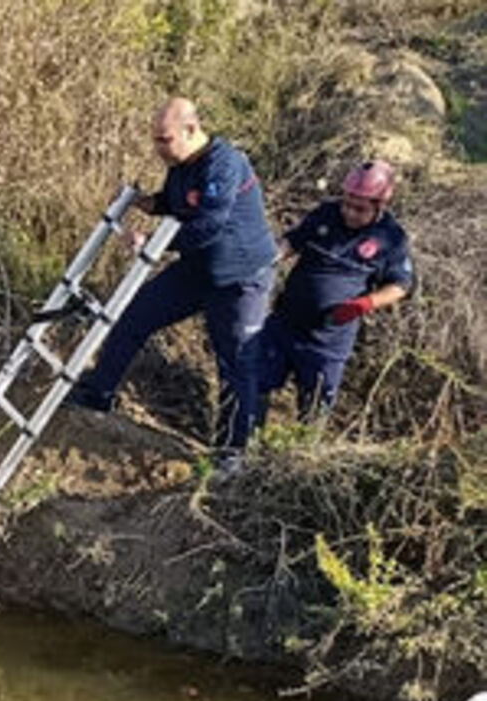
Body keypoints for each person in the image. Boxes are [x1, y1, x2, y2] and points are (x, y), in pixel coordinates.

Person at [65, 98, 278, 455]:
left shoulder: (224, 163)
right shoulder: (181, 164)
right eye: (155, 139)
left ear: (191, 130)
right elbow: (174, 202)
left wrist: (151, 242)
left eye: (164, 140)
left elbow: (209, 224)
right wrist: (142, 202)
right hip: (197, 270)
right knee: (133, 314)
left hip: (240, 279)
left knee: (236, 361)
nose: (158, 148)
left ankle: (232, 451)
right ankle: (97, 393)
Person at [248, 159, 414, 432]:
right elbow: (293, 241)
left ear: (380, 205)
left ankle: (297, 455)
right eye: (346, 204)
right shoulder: (326, 214)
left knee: (315, 407)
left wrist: (365, 303)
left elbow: (400, 285)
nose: (349, 212)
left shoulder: (391, 238)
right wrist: (267, 258)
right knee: (254, 383)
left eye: (359, 209)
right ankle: (243, 443)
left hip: (327, 342)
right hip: (285, 324)